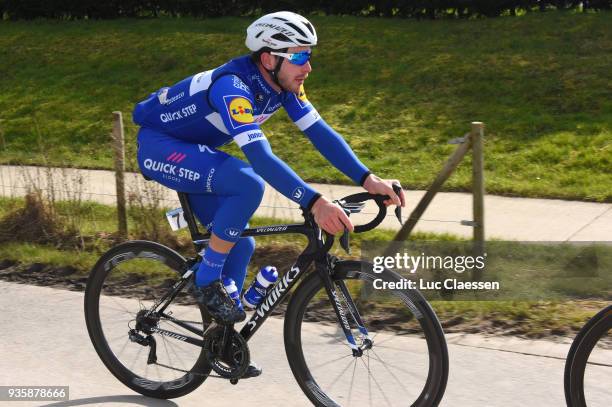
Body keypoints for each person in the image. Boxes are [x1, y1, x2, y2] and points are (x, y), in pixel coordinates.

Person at [133, 11, 405, 374]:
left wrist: (368, 179)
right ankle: (205, 280)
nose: (307, 66)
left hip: (196, 150)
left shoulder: (283, 84)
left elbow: (320, 133)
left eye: (309, 55)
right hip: (160, 146)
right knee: (247, 183)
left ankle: (222, 341)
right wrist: (313, 201)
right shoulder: (233, 87)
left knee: (239, 243)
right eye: (298, 56)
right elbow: (260, 157)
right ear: (268, 58)